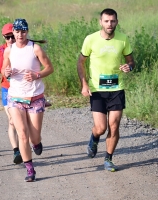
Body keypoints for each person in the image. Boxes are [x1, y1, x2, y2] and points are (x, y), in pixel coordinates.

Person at [77, 8, 135, 172]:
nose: (110, 24)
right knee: (101, 128)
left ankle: (108, 159)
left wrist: (128, 67)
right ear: (101, 22)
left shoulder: (123, 39)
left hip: (117, 88)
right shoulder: (91, 39)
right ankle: (94, 137)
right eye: (106, 21)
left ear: (117, 22)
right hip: (97, 89)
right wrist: (84, 84)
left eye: (113, 21)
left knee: (114, 125)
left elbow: (131, 61)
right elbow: (80, 62)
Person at [2, 19, 54, 182]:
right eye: (16, 32)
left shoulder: (35, 48)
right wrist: (7, 71)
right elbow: (4, 69)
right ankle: (30, 169)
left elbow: (49, 68)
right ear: (13, 33)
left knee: (34, 137)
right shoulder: (9, 50)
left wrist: (36, 75)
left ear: (27, 31)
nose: (19, 35)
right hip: (15, 97)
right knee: (22, 134)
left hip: (35, 97)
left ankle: (37, 144)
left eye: (23, 31)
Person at [0, 23, 22, 164]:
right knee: (12, 120)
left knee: (23, 122)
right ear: (3, 37)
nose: (10, 40)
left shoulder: (24, 49)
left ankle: (28, 144)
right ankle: (16, 150)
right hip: (7, 88)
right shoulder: (0, 50)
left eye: (12, 36)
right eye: (7, 37)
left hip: (23, 90)